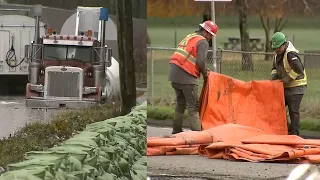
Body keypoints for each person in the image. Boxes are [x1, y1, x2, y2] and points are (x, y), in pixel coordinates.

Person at [168, 21, 218, 134]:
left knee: (181, 103)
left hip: (173, 72)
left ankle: (176, 131)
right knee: (193, 106)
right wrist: (206, 74)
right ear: (205, 32)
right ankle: (197, 134)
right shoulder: (203, 41)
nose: (210, 38)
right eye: (210, 35)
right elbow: (200, 62)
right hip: (186, 75)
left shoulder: (191, 36)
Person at [270, 32, 307, 135]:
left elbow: (299, 69)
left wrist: (286, 80)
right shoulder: (277, 55)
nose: (277, 50)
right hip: (286, 86)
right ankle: (286, 128)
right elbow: (274, 68)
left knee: (293, 109)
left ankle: (294, 133)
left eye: (278, 47)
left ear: (284, 44)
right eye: (275, 48)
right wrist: (273, 77)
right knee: (278, 107)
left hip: (297, 86)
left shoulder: (290, 54)